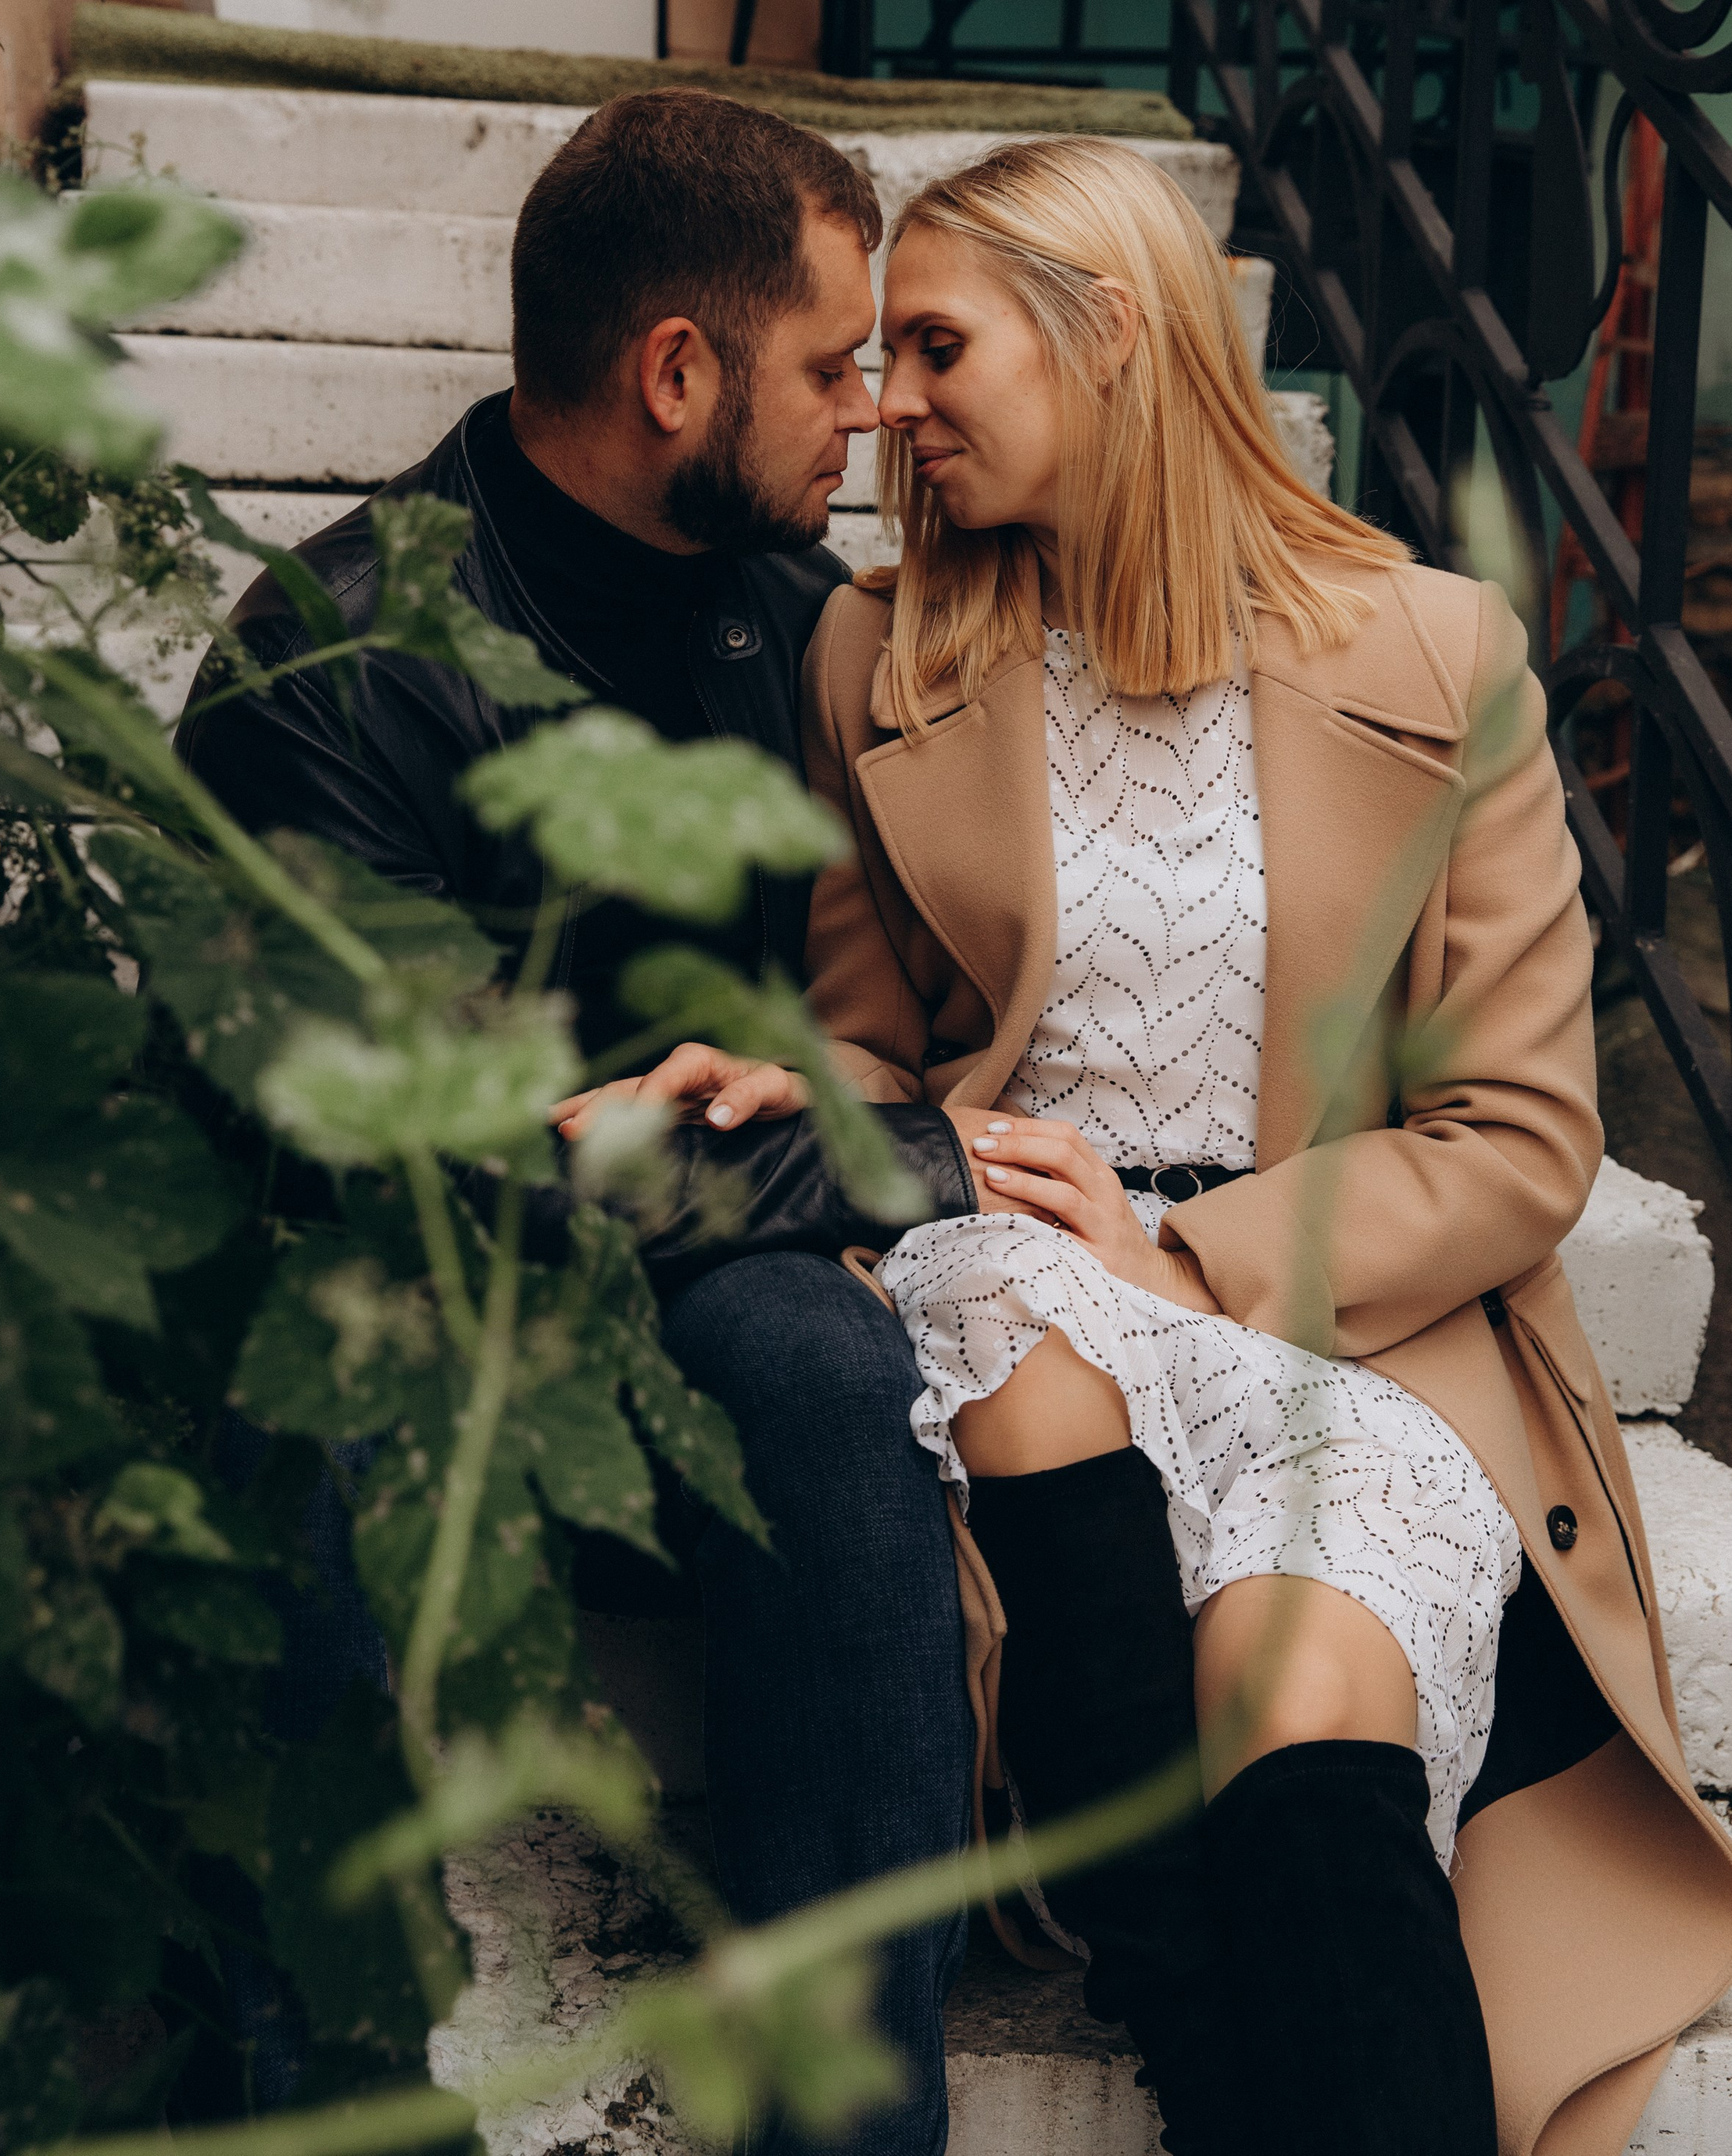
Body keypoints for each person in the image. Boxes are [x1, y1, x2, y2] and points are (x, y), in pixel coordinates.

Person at [577, 138, 1732, 2156]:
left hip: (1344, 1323)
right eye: (875, 358)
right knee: (1021, 1341)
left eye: (935, 347)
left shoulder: (1436, 653)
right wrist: (791, 1079)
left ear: (1110, 332)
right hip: (1018, 1263)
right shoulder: (883, 650)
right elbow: (882, 1021)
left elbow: (1525, 1137)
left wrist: (1188, 1258)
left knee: (1311, 1735)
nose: (886, 404)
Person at [178, 88, 981, 2147]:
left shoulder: (794, 621)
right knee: (305, 1436)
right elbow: (429, 1152)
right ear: (678, 371)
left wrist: (828, 1115)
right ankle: (306, 2089)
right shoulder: (330, 662)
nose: (874, 415)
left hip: (700, 1257)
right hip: (405, 1266)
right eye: (831, 364)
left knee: (831, 1380)